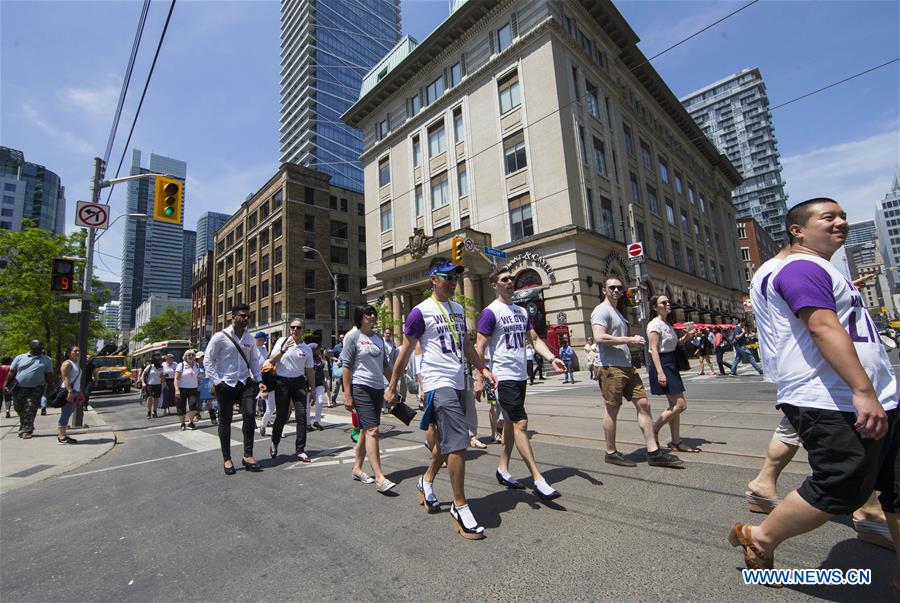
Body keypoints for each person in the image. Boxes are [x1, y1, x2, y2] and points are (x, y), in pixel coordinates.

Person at [728, 198, 900, 583]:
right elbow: (822, 326)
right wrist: (862, 390)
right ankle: (759, 536)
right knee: (841, 486)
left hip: (878, 395)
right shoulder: (800, 267)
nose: (841, 222)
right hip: (831, 397)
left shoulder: (815, 268)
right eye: (829, 217)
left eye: (842, 216)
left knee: (895, 487)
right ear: (798, 230)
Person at [385, 258, 498, 539]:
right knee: (459, 442)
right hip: (438, 384)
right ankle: (460, 507)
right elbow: (406, 351)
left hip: (459, 381)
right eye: (447, 276)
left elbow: (467, 345)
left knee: (446, 446)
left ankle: (425, 482)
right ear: (433, 279)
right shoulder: (418, 312)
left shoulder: (459, 309)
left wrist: (483, 369)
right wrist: (393, 384)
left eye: (456, 277)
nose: (452, 281)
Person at [475, 267, 568, 500]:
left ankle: (502, 469)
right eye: (504, 280)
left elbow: (534, 339)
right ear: (494, 285)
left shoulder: (521, 311)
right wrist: (479, 377)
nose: (510, 282)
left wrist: (552, 358)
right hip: (503, 376)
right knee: (521, 423)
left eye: (511, 279)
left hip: (520, 376)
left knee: (508, 422)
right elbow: (479, 347)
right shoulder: (490, 312)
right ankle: (538, 478)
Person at [591, 277, 683, 468]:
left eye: (619, 287)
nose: (616, 290)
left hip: (626, 366)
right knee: (612, 409)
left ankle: (653, 452)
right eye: (612, 287)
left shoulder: (617, 311)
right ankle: (611, 452)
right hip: (610, 367)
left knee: (644, 404)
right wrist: (629, 339)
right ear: (604, 290)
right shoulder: (601, 310)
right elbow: (599, 337)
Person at [204, 304, 264, 475]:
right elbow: (208, 360)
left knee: (250, 415)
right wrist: (217, 382)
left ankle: (248, 455)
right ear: (233, 317)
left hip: (244, 382)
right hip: (226, 383)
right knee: (225, 420)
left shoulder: (250, 339)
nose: (245, 319)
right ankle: (227, 458)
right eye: (242, 316)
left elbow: (253, 361)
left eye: (248, 316)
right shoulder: (219, 337)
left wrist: (259, 380)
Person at [342, 305, 396, 492]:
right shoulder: (353, 337)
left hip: (377, 388)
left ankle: (357, 468)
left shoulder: (379, 338)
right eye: (368, 314)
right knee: (373, 430)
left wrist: (393, 385)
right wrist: (347, 394)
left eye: (374, 313)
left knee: (366, 431)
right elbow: (346, 367)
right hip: (360, 387)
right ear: (360, 317)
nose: (372, 316)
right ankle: (380, 478)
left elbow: (385, 365)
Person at [647, 295, 700, 454]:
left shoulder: (667, 324)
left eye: (668, 302)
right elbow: (654, 350)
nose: (668, 304)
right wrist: (660, 373)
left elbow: (675, 344)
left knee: (674, 406)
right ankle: (653, 430)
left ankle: (676, 441)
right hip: (663, 364)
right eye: (663, 302)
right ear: (655, 307)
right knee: (680, 405)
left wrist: (687, 337)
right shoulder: (654, 324)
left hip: (671, 363)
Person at [267, 318, 314, 461]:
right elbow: (271, 360)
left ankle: (300, 449)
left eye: (298, 327)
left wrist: (312, 389)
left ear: (302, 330)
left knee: (302, 417)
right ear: (289, 329)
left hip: (299, 382)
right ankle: (274, 443)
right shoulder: (281, 341)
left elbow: (310, 370)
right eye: (293, 327)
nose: (295, 330)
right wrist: (283, 349)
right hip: (282, 382)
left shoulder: (306, 349)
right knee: (281, 416)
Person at [4, 340, 54, 439]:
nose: (40, 349)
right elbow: (12, 372)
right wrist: (5, 384)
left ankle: (26, 430)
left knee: (30, 408)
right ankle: (26, 424)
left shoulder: (46, 360)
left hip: (36, 388)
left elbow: (49, 374)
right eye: (38, 347)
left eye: (41, 347)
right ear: (31, 347)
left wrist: (50, 387)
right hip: (18, 387)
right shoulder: (20, 358)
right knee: (19, 408)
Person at [57, 345, 82, 444]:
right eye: (75, 351)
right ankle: (61, 437)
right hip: (68, 391)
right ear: (69, 352)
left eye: (78, 351)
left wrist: (79, 392)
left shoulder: (75, 363)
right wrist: (70, 391)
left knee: (68, 413)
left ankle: (63, 434)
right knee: (65, 413)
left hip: (75, 391)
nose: (77, 353)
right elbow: (65, 378)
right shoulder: (67, 363)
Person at [174, 349, 201, 431]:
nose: (191, 356)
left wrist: (199, 383)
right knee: (181, 407)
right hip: (182, 388)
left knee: (193, 405)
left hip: (193, 388)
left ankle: (191, 422)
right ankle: (182, 423)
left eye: (193, 355)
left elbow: (198, 376)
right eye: (189, 355)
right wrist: (177, 389)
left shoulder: (197, 365)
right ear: (185, 357)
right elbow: (176, 378)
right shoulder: (181, 365)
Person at [140, 354, 164, 419]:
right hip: (150, 384)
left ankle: (154, 412)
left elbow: (161, 377)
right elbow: (143, 374)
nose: (161, 361)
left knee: (156, 398)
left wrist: (164, 379)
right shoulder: (150, 366)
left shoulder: (161, 367)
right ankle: (149, 412)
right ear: (156, 361)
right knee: (149, 397)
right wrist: (143, 382)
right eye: (159, 360)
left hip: (158, 384)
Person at [308, 345, 326, 431]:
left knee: (320, 401)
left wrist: (325, 384)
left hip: (319, 383)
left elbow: (322, 371)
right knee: (307, 405)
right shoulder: (307, 358)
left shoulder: (319, 358)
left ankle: (317, 421)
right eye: (317, 349)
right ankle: (307, 423)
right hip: (308, 384)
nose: (319, 350)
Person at [196, 352, 216, 424]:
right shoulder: (195, 366)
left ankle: (213, 417)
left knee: (210, 402)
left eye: (203, 356)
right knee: (198, 402)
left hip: (207, 385)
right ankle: (197, 415)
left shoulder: (207, 365)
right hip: (198, 386)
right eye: (201, 357)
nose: (202, 358)